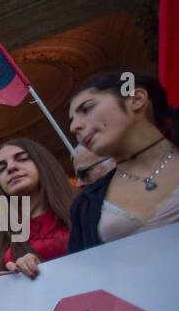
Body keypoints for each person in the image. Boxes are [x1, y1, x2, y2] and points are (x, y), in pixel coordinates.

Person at [68, 68, 179, 254]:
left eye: (86, 109)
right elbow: (82, 275)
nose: (74, 127)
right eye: (72, 120)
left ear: (136, 99)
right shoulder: (85, 205)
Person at [0, 139, 73, 279]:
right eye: (1, 169)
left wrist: (44, 269)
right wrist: (3, 287)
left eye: (22, 159)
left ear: (43, 164)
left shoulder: (87, 213)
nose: (11, 168)